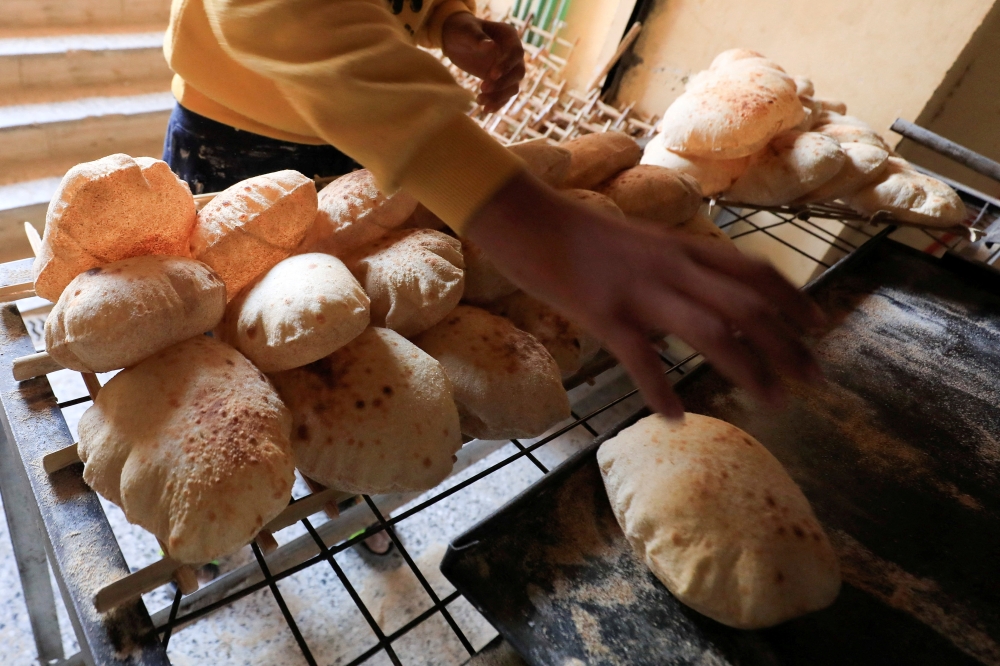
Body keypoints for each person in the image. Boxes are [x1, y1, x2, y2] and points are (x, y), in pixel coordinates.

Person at [163, 0, 822, 432]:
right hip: (233, 130)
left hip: (362, 124)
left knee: (332, 341)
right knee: (239, 329)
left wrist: (445, 21)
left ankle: (345, 480)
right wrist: (527, 217)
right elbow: (273, 10)